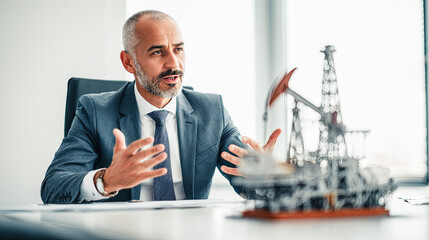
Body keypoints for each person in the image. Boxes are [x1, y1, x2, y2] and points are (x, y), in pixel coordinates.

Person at [41, 10, 281, 204]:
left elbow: (249, 186)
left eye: (178, 49)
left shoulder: (212, 111)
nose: (173, 63)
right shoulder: (95, 111)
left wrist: (265, 177)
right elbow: (53, 186)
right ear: (129, 62)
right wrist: (107, 180)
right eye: (158, 52)